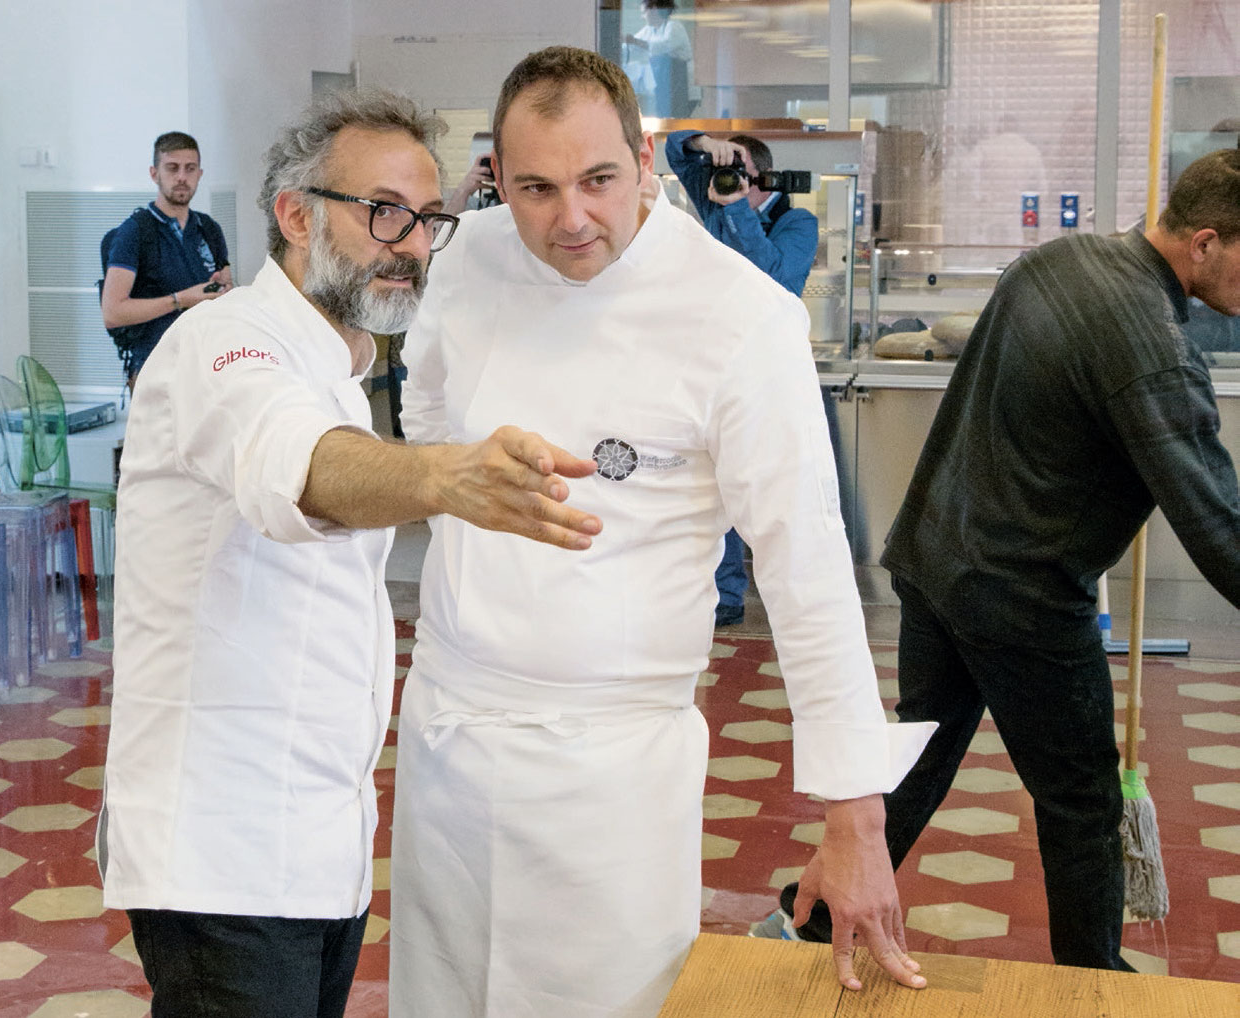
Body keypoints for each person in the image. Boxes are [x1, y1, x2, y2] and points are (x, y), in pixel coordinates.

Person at [389, 46, 934, 1018]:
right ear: (498, 182)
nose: (571, 219)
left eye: (598, 180)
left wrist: (856, 819)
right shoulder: (465, 260)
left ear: (646, 161)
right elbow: (424, 416)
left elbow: (806, 566)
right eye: (536, 188)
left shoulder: (737, 317)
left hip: (615, 768)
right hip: (452, 739)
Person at [98, 87, 603, 1018]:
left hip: (314, 845)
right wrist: (443, 479)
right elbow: (293, 465)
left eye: (424, 219)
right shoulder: (225, 345)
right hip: (224, 854)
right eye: (381, 212)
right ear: (294, 215)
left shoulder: (333, 367)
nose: (408, 242)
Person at [757, 147, 1240, 971]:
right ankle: (1094, 983)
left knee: (917, 759)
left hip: (933, 557)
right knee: (1082, 801)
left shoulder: (1063, 259)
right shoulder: (1152, 349)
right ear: (1202, 244)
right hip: (1018, 592)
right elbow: (1217, 525)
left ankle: (799, 925)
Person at [666, 129, 822, 626]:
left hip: (765, 373)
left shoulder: (796, 222)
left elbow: (772, 283)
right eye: (722, 168)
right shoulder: (715, 186)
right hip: (704, 364)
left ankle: (800, 605)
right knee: (709, 484)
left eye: (737, 171)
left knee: (767, 491)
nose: (724, 179)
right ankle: (721, 596)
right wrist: (703, 145)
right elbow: (672, 148)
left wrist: (734, 210)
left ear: (763, 178)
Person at [100, 131, 234, 388]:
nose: (182, 177)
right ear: (154, 173)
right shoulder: (135, 232)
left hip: (206, 364)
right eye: (172, 168)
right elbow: (112, 312)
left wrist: (224, 290)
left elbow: (225, 286)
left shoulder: (208, 228)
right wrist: (180, 300)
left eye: (190, 168)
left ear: (200, 174)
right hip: (155, 369)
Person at [623, 0, 698, 118]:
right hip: (665, 88)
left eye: (644, 12)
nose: (642, 17)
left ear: (654, 10)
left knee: (676, 120)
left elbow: (663, 46)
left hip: (682, 88)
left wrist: (635, 41)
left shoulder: (674, 26)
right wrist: (622, 42)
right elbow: (634, 47)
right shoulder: (649, 30)